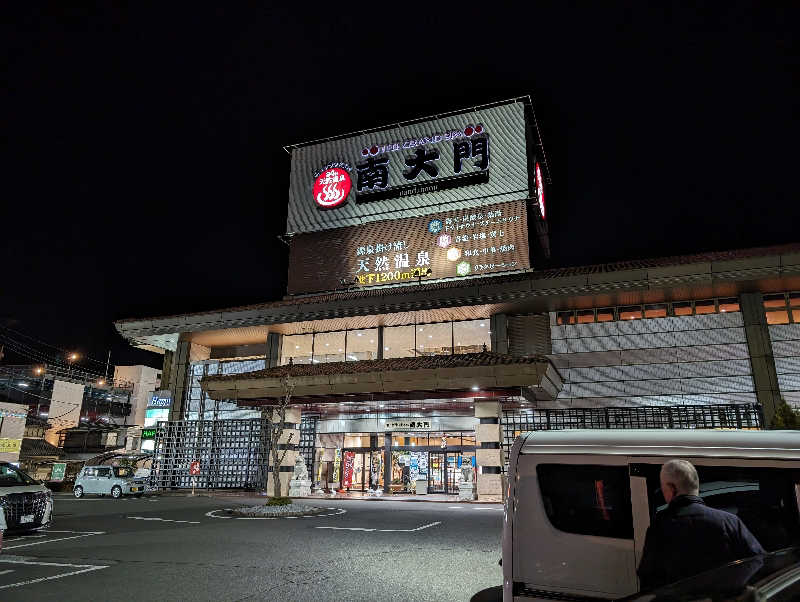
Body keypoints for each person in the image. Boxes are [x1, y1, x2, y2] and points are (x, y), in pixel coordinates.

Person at [637, 459, 765, 590]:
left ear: (671, 489)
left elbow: (648, 578)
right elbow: (758, 562)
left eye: (662, 489)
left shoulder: (660, 528)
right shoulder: (729, 521)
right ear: (695, 485)